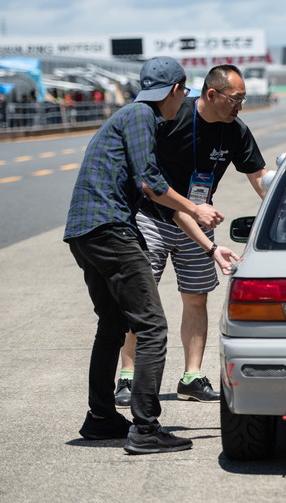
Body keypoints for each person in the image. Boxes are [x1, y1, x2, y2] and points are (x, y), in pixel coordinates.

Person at [64, 56, 225, 454]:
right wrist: (196, 207)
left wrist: (207, 243)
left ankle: (100, 417)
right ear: (174, 91)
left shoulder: (131, 117)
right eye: (183, 92)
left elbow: (156, 196)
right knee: (152, 327)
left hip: (86, 232)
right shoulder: (141, 117)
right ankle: (146, 429)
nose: (182, 99)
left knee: (114, 322)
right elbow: (151, 183)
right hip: (110, 229)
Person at [114, 64, 266, 408]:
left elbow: (257, 175)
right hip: (152, 215)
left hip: (198, 220)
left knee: (197, 297)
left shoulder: (236, 131)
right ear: (212, 94)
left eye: (243, 98)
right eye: (236, 98)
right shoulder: (172, 116)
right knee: (141, 297)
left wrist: (283, 209)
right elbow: (145, 176)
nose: (240, 105)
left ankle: (192, 377)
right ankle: (127, 376)